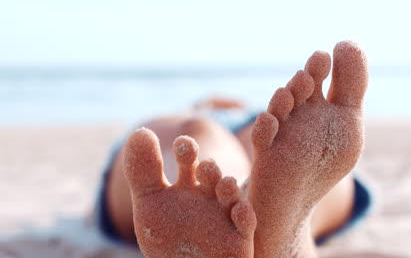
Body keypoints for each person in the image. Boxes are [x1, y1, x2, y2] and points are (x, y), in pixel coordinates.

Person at [95, 40, 371, 257]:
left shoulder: (198, 113)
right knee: (295, 154)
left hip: (232, 122)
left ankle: (232, 209)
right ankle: (280, 231)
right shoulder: (267, 119)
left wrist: (204, 107)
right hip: (262, 122)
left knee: (193, 135)